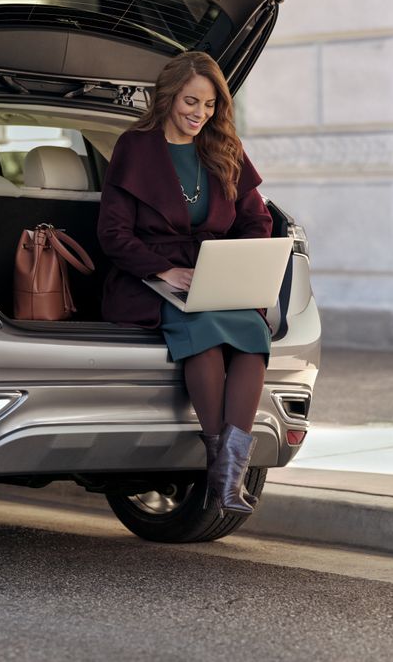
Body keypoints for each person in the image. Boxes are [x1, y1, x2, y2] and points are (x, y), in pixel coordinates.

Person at [97, 51, 273, 517]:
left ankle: (226, 472)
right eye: (191, 101)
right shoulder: (135, 148)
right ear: (169, 97)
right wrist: (161, 271)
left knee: (253, 335)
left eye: (210, 105)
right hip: (147, 277)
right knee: (205, 335)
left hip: (214, 273)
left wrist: (239, 261)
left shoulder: (225, 148)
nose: (200, 114)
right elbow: (113, 235)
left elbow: (257, 219)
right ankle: (223, 471)